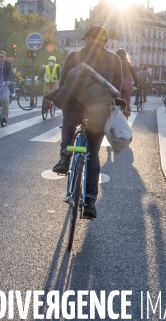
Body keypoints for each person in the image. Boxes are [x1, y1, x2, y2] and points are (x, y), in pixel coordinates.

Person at [51, 26, 123, 218]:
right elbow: (118, 87)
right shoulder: (115, 59)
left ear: (89, 40)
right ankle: (90, 200)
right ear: (105, 42)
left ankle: (64, 158)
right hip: (98, 113)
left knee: (68, 119)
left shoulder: (74, 56)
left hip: (74, 108)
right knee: (93, 154)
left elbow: (62, 84)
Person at [116, 49, 138, 118]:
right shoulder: (128, 63)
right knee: (126, 101)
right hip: (127, 82)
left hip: (117, 81)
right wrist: (136, 84)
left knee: (113, 99)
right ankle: (126, 117)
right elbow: (134, 75)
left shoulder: (114, 62)